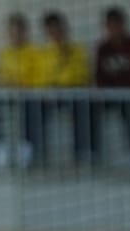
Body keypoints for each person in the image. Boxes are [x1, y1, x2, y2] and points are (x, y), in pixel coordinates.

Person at [91, 6, 130, 162]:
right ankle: (93, 152)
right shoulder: (102, 48)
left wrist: (125, 89)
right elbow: (98, 75)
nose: (114, 30)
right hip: (110, 94)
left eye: (117, 26)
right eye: (111, 26)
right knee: (90, 108)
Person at [38, 10, 93, 164]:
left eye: (58, 28)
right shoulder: (42, 52)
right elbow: (39, 78)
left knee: (84, 108)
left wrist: (65, 82)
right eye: (51, 29)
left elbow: (83, 74)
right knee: (34, 108)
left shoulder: (77, 50)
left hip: (73, 92)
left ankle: (82, 152)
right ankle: (37, 152)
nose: (55, 32)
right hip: (50, 95)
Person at [0, 12, 44, 168]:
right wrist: (5, 84)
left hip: (28, 94)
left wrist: (22, 85)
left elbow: (39, 76)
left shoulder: (34, 52)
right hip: (7, 94)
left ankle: (27, 149)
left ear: (25, 32)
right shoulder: (3, 53)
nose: (15, 35)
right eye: (12, 31)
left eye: (19, 31)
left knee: (31, 110)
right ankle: (0, 148)